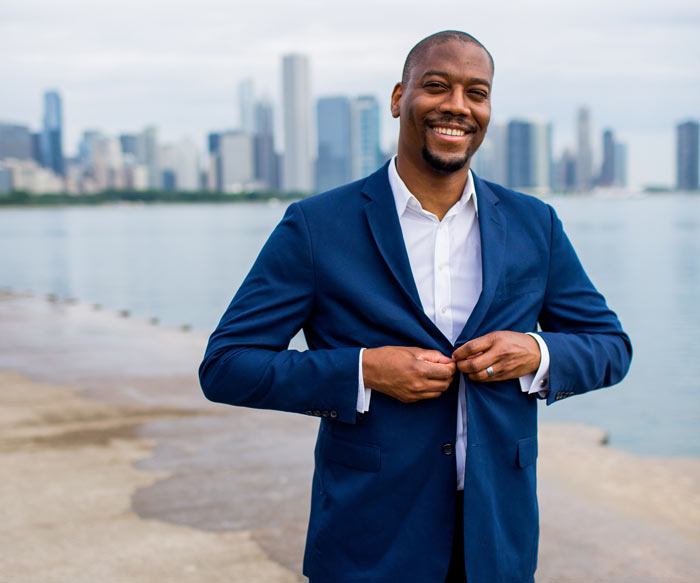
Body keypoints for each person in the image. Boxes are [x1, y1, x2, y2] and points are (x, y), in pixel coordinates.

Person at [199, 30, 632, 583]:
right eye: (437, 86)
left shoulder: (535, 223)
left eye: (476, 92)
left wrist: (536, 352)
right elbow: (227, 365)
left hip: (496, 542)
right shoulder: (316, 226)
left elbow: (610, 348)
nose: (457, 106)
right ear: (399, 97)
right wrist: (363, 370)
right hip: (368, 542)